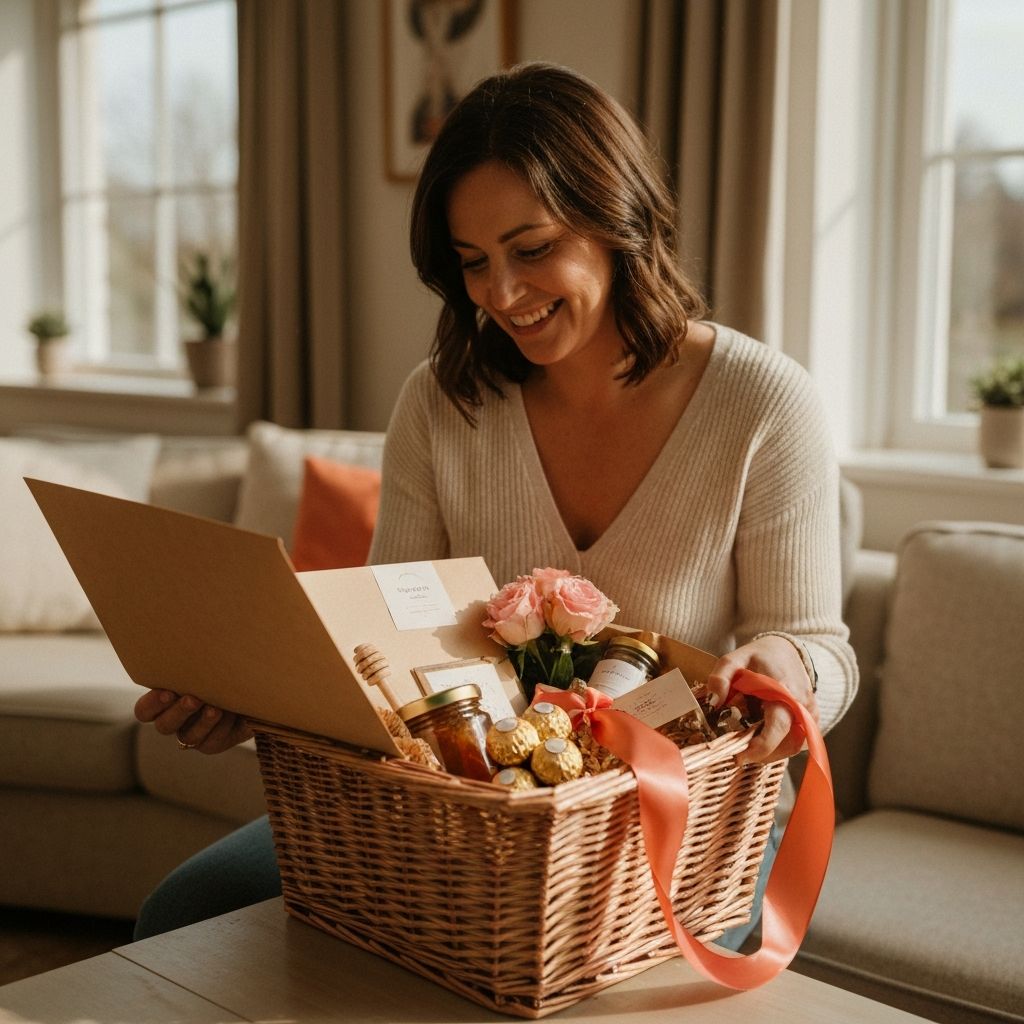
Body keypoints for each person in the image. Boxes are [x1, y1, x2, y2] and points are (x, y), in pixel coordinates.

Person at [133, 62, 857, 945]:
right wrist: (253, 703)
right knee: (178, 912)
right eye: (473, 263)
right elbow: (385, 654)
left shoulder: (764, 404)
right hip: (473, 823)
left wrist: (788, 665)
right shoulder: (442, 406)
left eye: (533, 247)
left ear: (616, 217)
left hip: (691, 827)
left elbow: (823, 648)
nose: (501, 296)